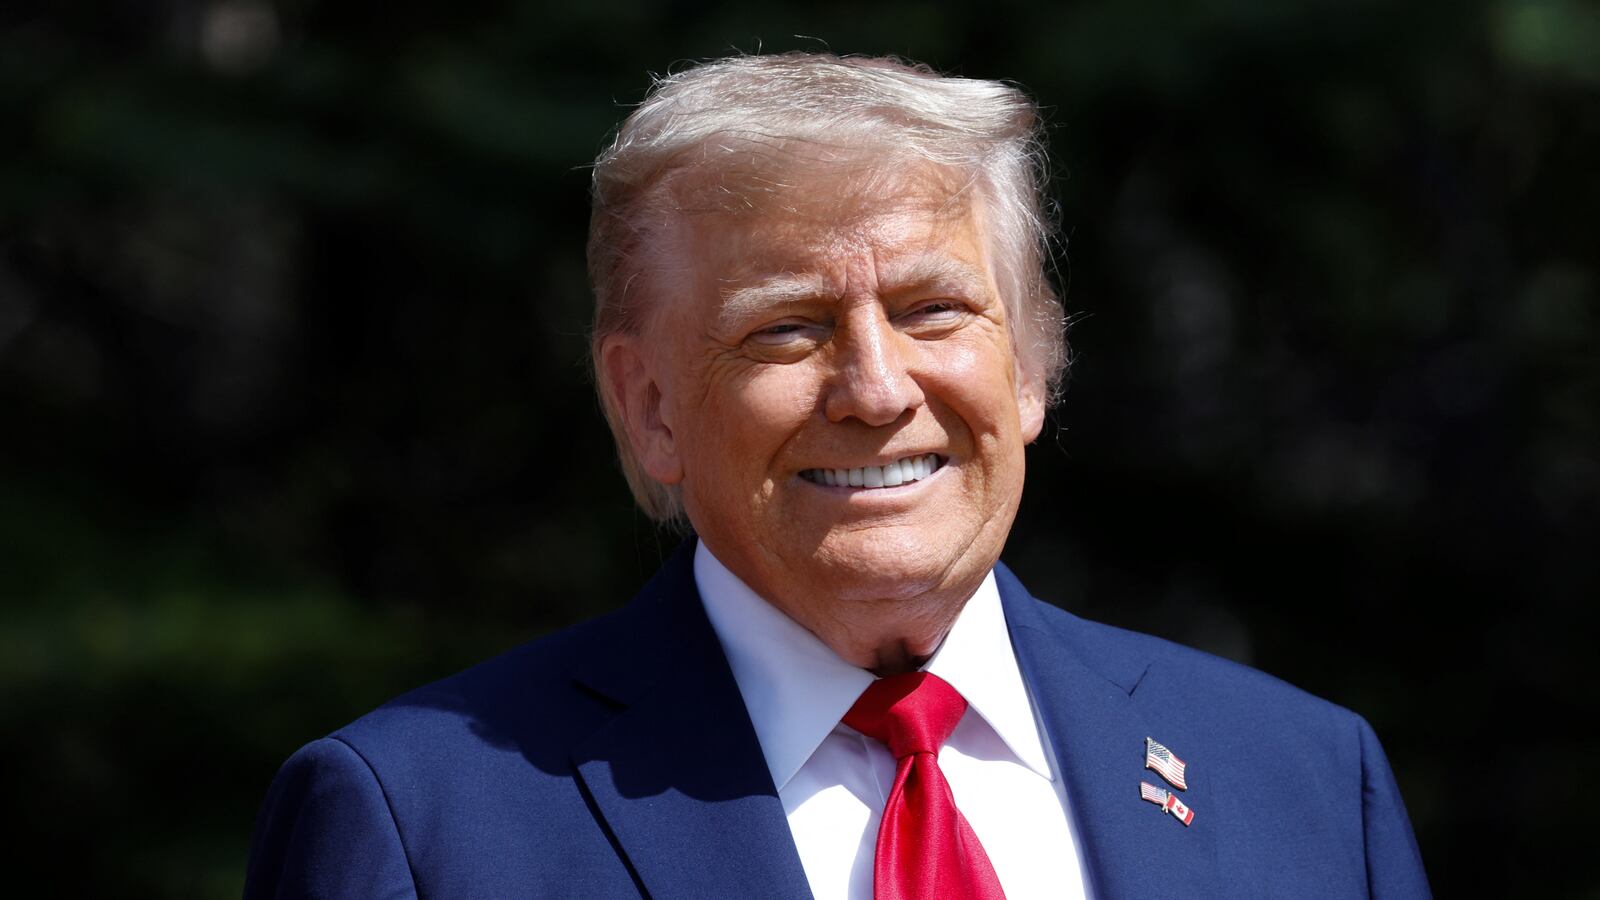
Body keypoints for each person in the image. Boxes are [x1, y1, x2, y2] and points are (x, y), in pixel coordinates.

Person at [244, 53, 1431, 899]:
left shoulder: (1305, 779)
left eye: (933, 311)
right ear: (648, 406)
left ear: (1032, 366)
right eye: (786, 329)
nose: (874, 387)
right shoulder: (419, 819)